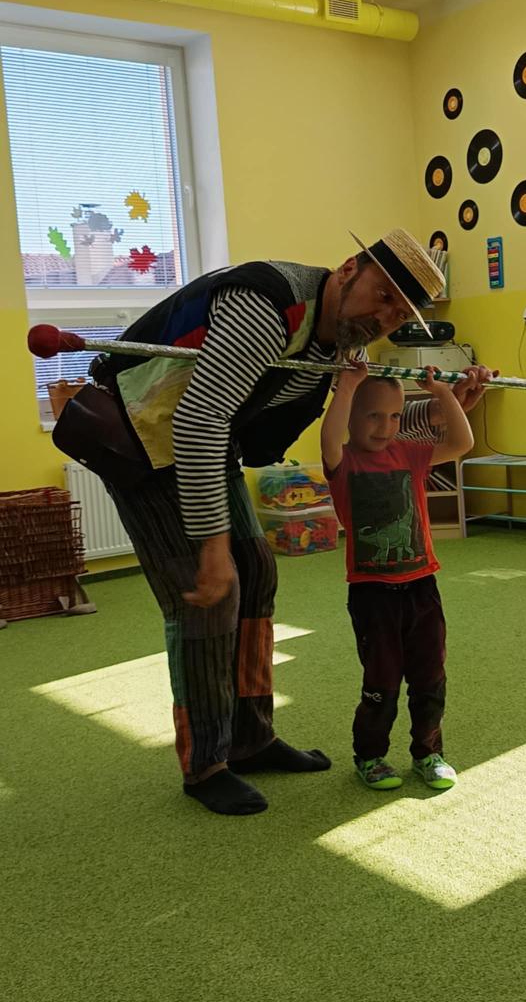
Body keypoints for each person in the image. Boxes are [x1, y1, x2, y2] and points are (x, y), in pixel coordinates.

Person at [62, 228, 494, 816]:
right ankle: (205, 763)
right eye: (382, 294)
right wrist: (211, 545)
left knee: (258, 573)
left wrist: (450, 404)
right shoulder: (268, 305)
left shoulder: (335, 341)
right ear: (350, 268)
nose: (384, 316)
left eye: (399, 313)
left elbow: (373, 421)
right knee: (208, 596)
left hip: (207, 445)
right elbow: (197, 420)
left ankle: (251, 737)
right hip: (144, 438)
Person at [321, 361, 474, 790]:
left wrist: (441, 392)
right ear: (351, 415)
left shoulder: (409, 453)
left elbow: (462, 442)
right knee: (382, 681)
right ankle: (370, 756)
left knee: (430, 677)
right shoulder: (344, 461)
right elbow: (328, 437)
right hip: (373, 594)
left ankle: (429, 753)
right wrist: (347, 386)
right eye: (373, 415)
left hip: (422, 586)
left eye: (393, 416)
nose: (385, 426)